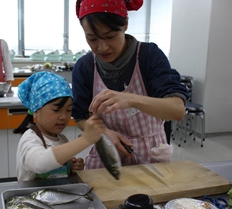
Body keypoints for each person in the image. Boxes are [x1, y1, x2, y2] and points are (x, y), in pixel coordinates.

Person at [72, 0, 190, 169]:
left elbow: (177, 110)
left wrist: (131, 99)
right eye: (92, 38)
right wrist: (104, 133)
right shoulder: (85, 67)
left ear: (125, 24)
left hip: (150, 155)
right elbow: (81, 117)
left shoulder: (149, 56)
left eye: (110, 36)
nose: (102, 47)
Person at [14, 71, 105, 181]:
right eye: (56, 110)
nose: (63, 116)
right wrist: (86, 139)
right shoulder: (30, 139)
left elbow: (59, 170)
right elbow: (40, 163)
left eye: (68, 110)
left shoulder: (62, 139)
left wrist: (71, 167)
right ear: (36, 110)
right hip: (33, 197)